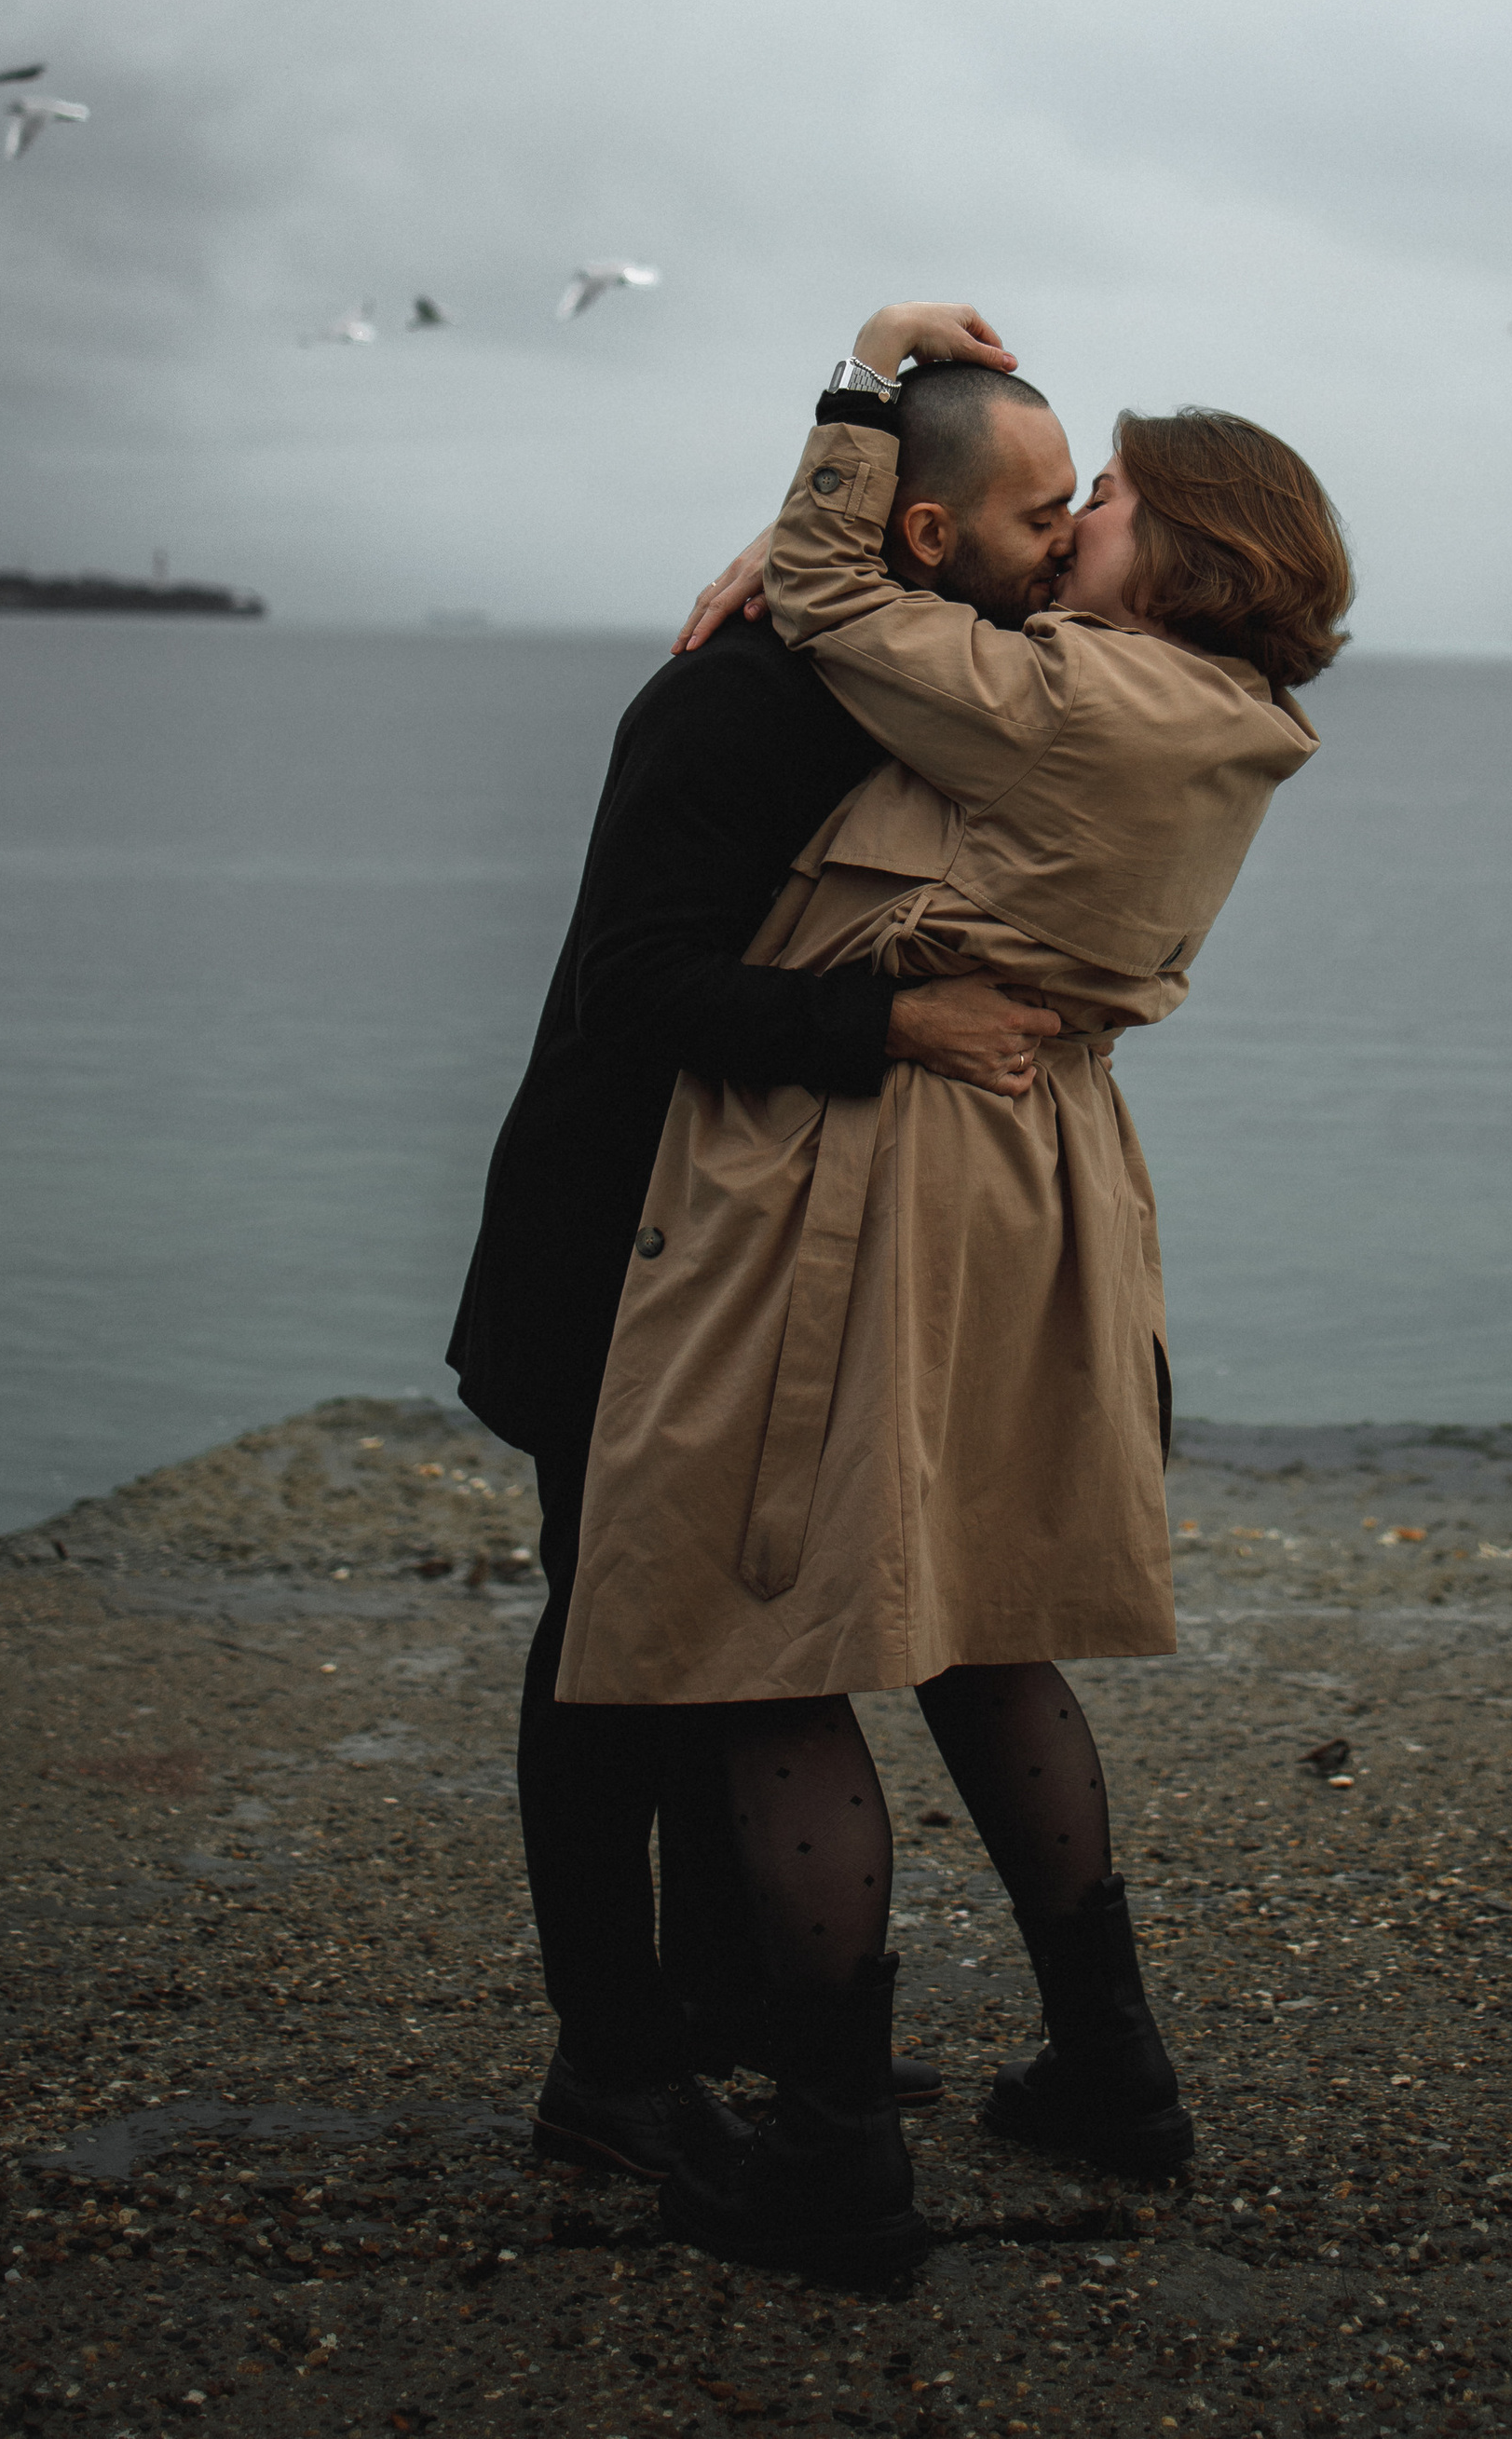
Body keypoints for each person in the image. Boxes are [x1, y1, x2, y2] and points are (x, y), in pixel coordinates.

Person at [558, 299, 1351, 2275]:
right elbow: (906, 598)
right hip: (1041, 1180)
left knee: (771, 1633)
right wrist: (847, 545)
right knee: (987, 1628)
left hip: (878, 1173)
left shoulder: (1071, 702)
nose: (1074, 519)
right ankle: (1111, 2068)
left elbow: (844, 586)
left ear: (1177, 557)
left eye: (1107, 505)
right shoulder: (1215, 719)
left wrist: (847, 408)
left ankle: (835, 2163)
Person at [447, 358, 1084, 2181]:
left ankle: (740, 2020)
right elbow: (633, 984)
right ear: (928, 534)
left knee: (730, 1631)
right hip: (604, 1240)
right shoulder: (729, 707)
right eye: (1038, 515)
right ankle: (609, 2067)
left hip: (742, 1252)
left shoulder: (914, 686)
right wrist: (896, 1023)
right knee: (606, 1655)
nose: (1058, 545)